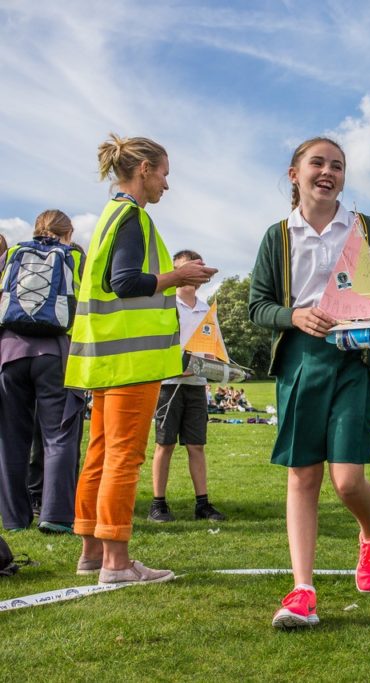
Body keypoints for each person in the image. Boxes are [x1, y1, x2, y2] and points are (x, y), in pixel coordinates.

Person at [249, 136, 370, 629]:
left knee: (347, 481)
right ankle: (302, 591)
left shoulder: (366, 228)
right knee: (303, 476)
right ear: (295, 174)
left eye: (337, 165)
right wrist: (294, 315)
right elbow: (258, 306)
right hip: (300, 362)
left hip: (353, 361)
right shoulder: (278, 236)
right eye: (318, 163)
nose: (328, 172)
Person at [66, 134, 217, 585]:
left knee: (99, 453)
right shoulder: (132, 217)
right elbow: (126, 282)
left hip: (106, 359)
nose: (166, 184)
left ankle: (92, 551)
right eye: (164, 174)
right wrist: (180, 275)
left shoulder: (111, 215)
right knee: (123, 457)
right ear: (145, 170)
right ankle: (116, 563)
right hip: (131, 362)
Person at [0, 210, 85, 533]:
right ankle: (56, 515)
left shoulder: (12, 254)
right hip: (55, 354)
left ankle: (14, 518)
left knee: (11, 438)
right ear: (68, 233)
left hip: (10, 353)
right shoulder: (73, 257)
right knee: (58, 436)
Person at [148, 249, 227, 524]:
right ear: (176, 271)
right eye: (186, 268)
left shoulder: (207, 310)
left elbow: (217, 350)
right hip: (169, 385)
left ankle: (202, 504)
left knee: (196, 446)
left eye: (197, 268)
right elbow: (156, 346)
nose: (192, 275)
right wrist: (174, 366)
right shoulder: (165, 305)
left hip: (196, 385)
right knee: (165, 444)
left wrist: (218, 366)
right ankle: (158, 504)